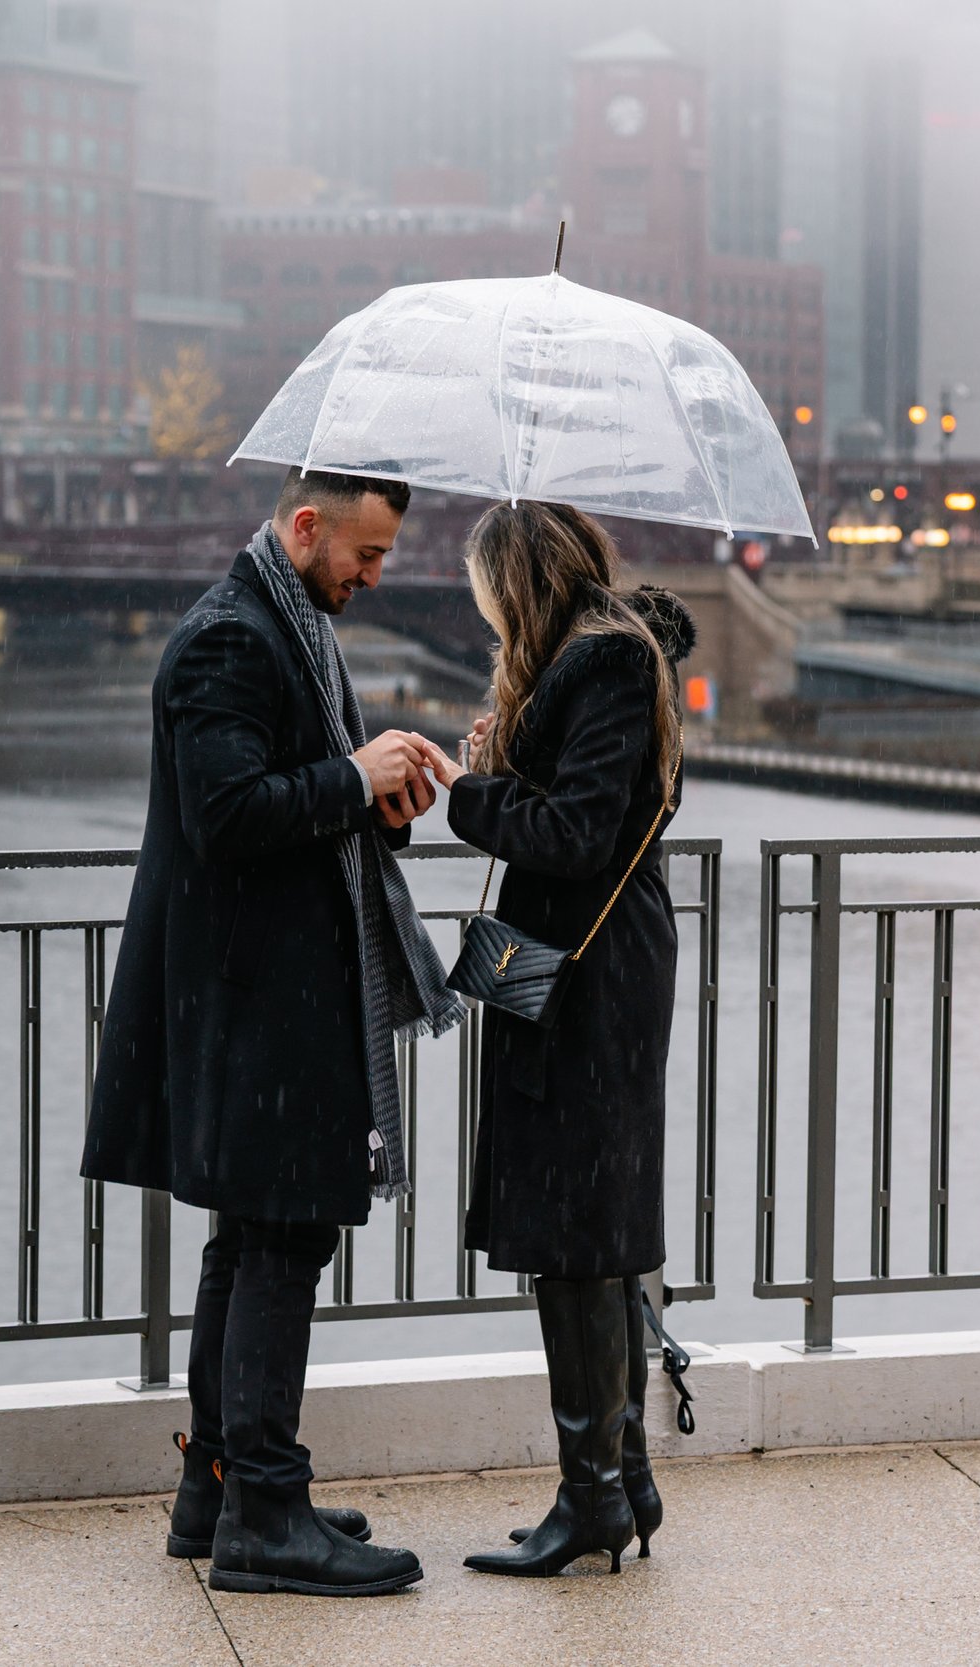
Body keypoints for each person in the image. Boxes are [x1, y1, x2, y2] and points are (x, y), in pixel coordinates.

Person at [80, 467, 464, 1598]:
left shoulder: (281, 622)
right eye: (367, 551)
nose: (376, 572)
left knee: (251, 1238)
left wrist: (371, 799)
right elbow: (227, 814)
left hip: (267, 989)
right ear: (308, 527)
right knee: (282, 1237)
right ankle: (265, 1511)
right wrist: (352, 770)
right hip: (260, 1000)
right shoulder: (231, 639)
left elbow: (282, 804)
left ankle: (221, 1487)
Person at [426, 501, 693, 1577]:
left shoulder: (603, 667)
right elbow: (612, 808)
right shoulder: (611, 664)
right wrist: (512, 755)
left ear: (517, 578)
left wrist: (475, 795)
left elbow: (580, 835)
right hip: (597, 970)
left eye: (489, 593)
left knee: (581, 1231)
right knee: (593, 1224)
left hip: (588, 978)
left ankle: (593, 1495)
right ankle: (620, 1478)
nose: (486, 614)